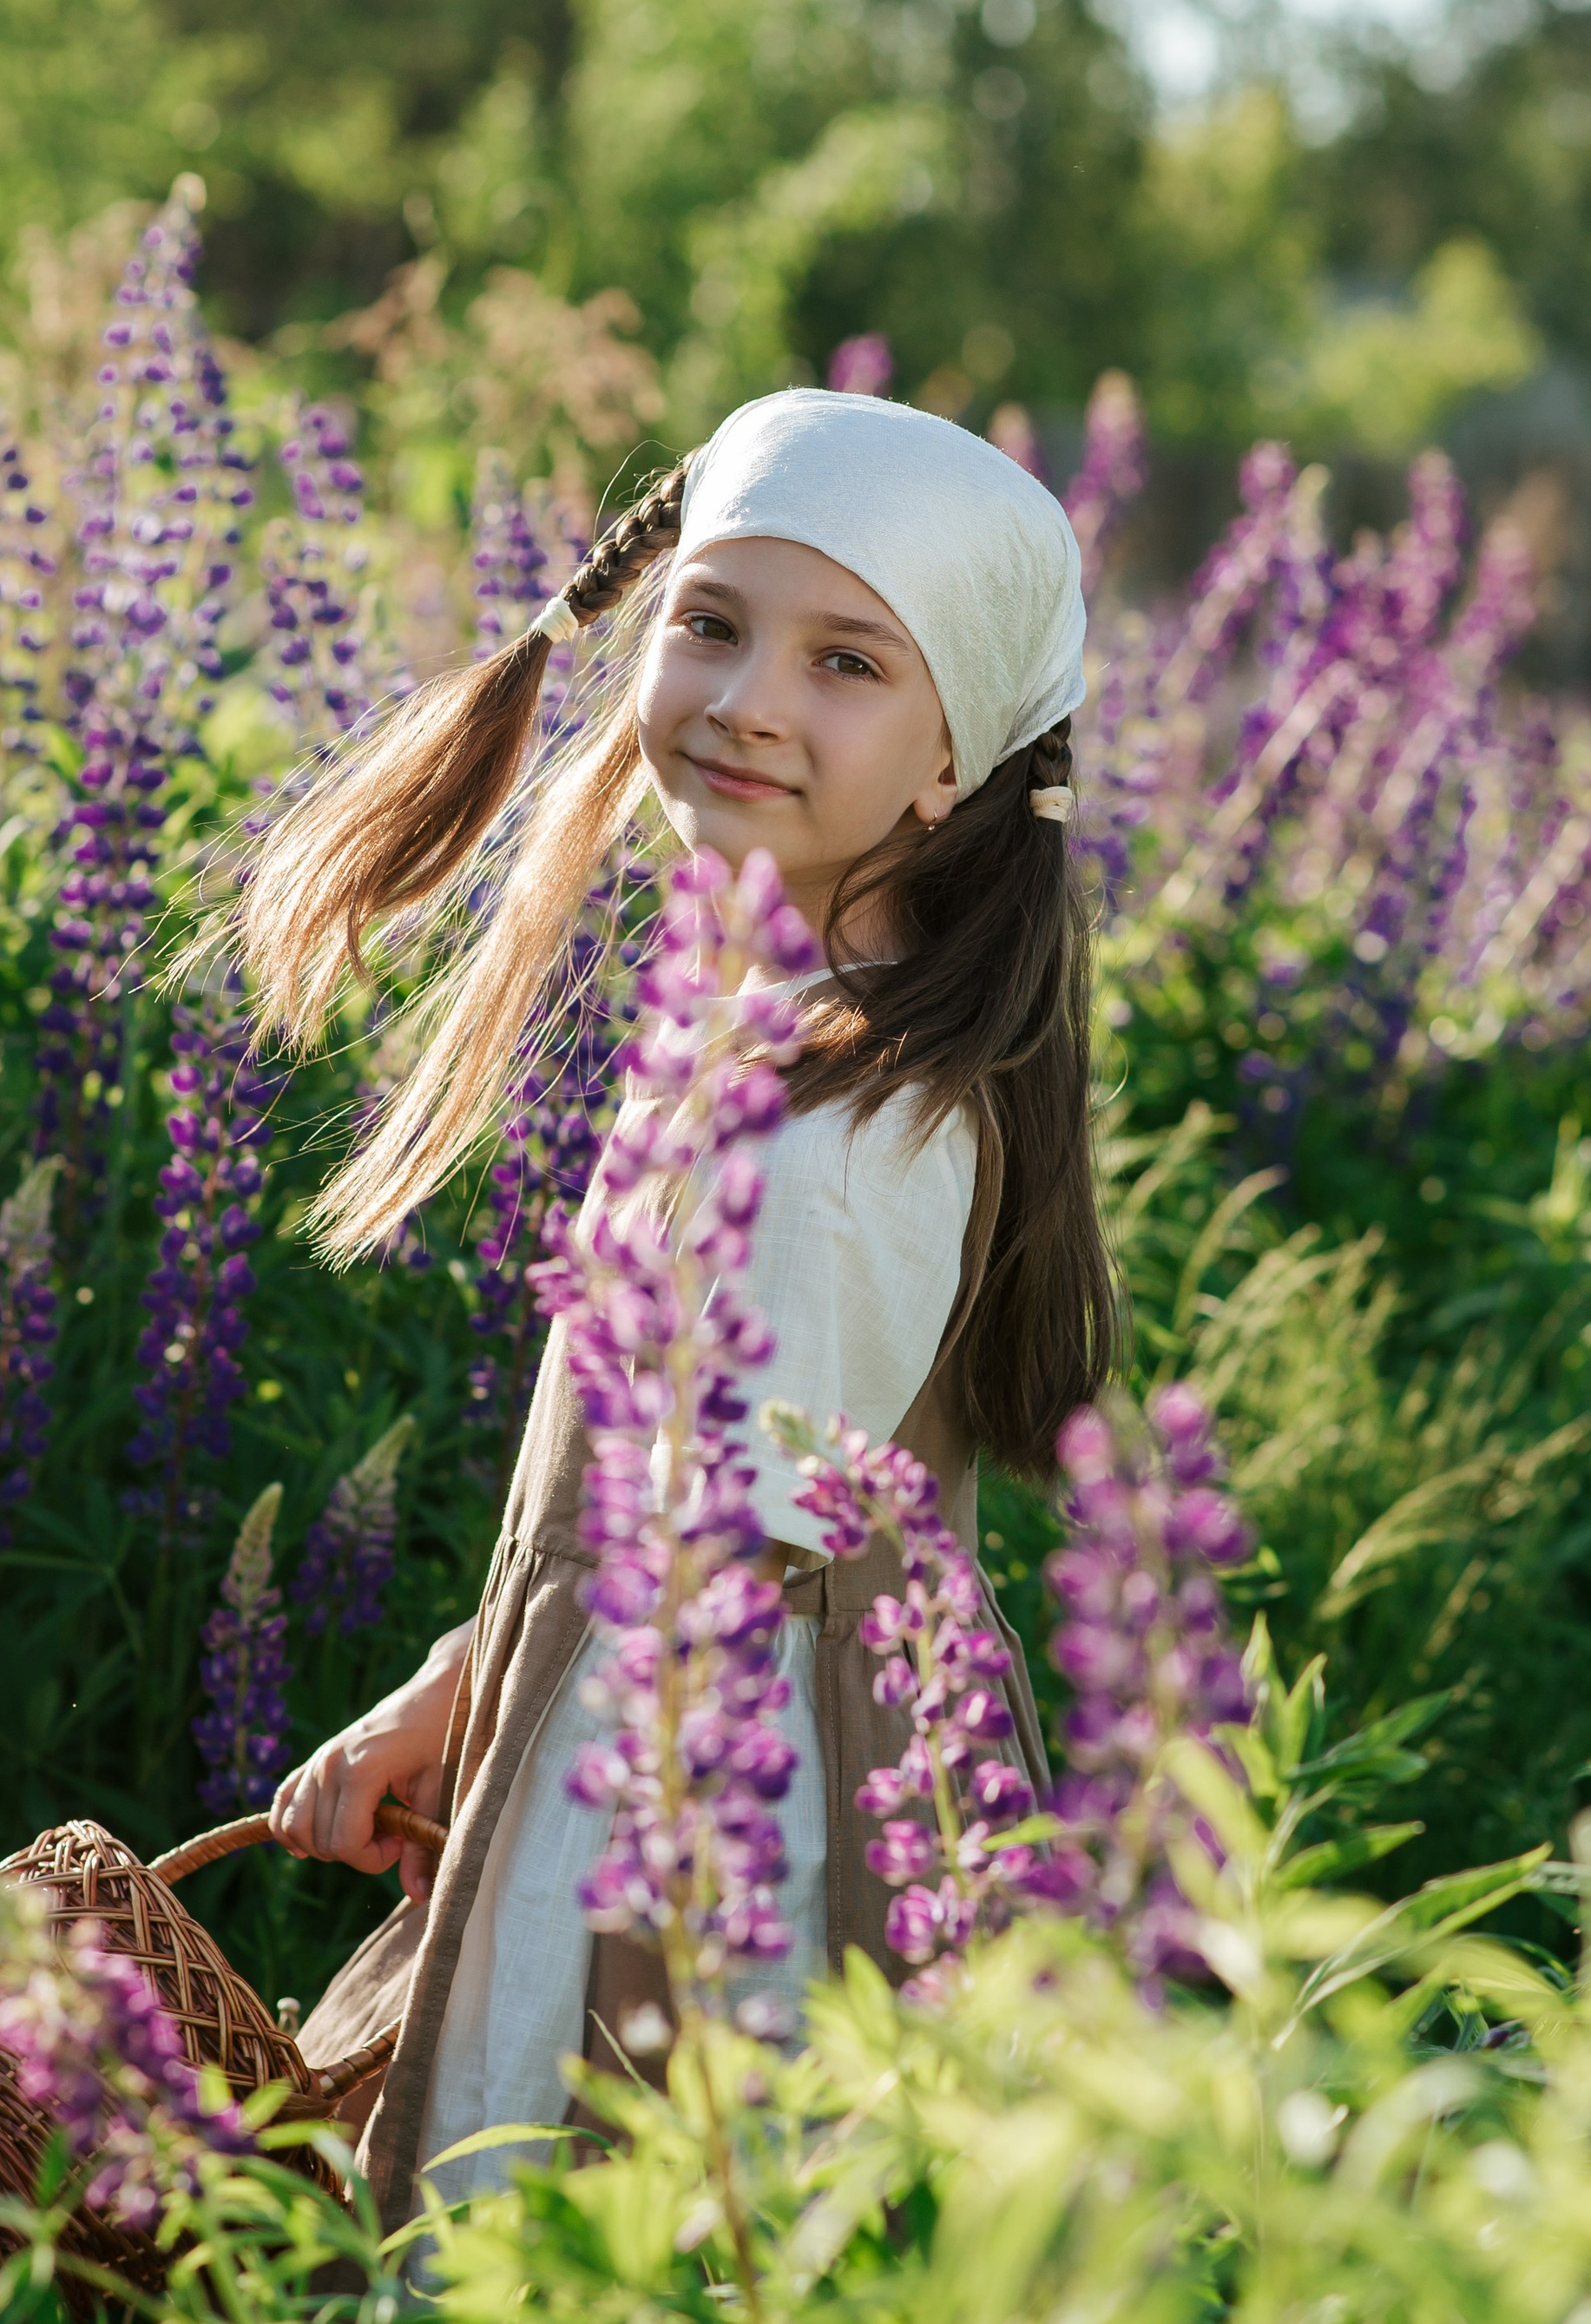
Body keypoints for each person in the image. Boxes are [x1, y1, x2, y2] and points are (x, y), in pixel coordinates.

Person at [237, 387, 1117, 2225]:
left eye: (845, 661)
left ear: (952, 757)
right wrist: (458, 1685)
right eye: (708, 623)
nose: (744, 699)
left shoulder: (838, 1136)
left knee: (593, 2288)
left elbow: (716, 1584)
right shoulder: (770, 1032)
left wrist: (603, 1987)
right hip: (639, 1753)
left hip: (700, 1849)